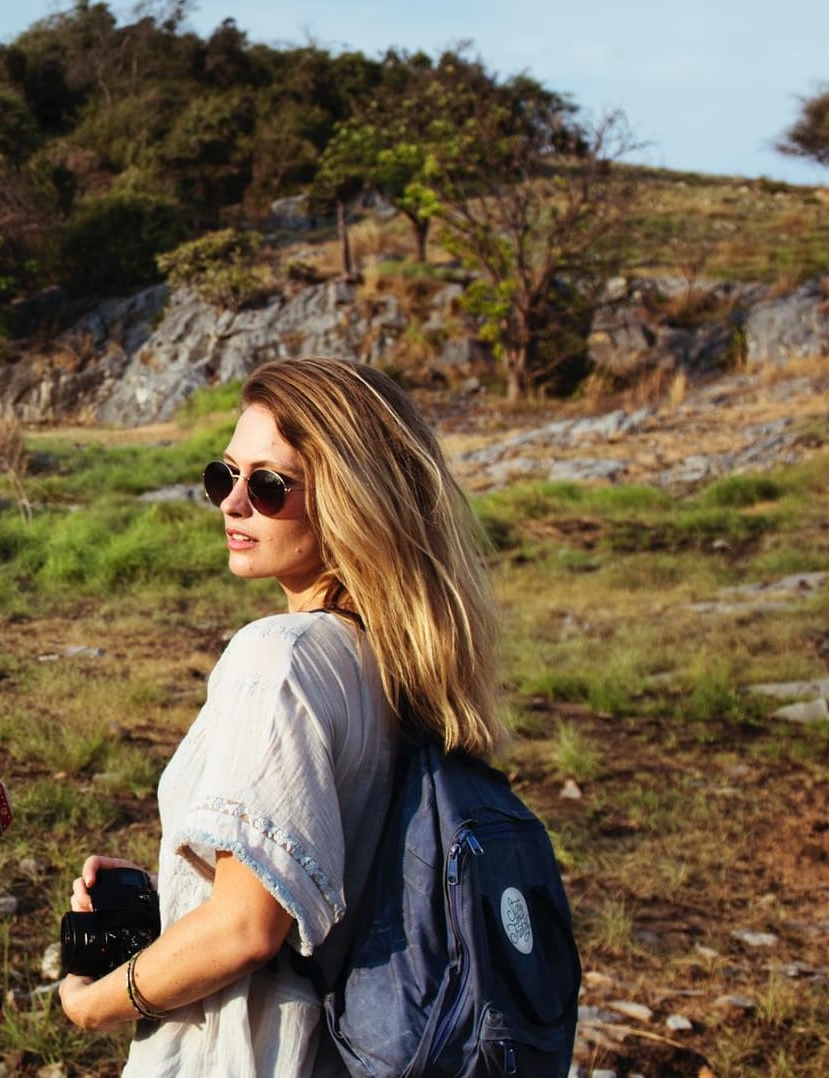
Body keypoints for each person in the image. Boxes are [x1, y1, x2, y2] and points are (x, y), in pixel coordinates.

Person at [57, 356, 505, 1075]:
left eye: (268, 485)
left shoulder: (281, 658)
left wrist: (95, 1002)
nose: (231, 504)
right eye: (222, 475)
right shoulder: (395, 662)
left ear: (354, 500)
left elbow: (243, 930)